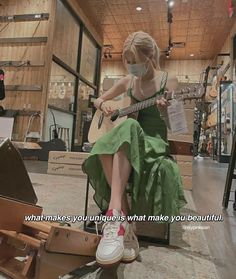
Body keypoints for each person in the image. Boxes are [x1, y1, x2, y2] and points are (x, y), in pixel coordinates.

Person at [82, 31, 187, 266]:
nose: (130, 66)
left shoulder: (168, 80)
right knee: (106, 142)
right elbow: (96, 101)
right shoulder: (128, 81)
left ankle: (117, 217)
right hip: (128, 138)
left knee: (126, 127)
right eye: (126, 62)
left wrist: (163, 110)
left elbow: (177, 126)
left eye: (134, 61)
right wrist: (105, 104)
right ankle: (123, 217)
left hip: (153, 141)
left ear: (150, 57)